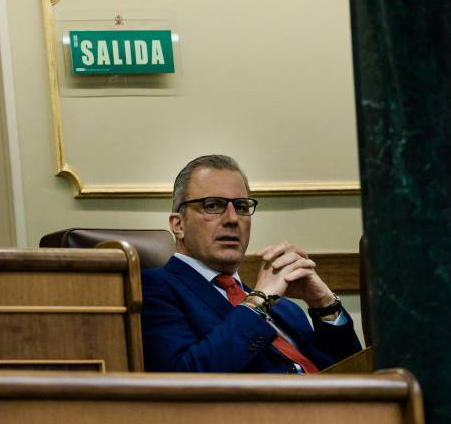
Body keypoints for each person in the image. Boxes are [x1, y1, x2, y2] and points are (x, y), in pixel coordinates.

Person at [140, 154, 362, 373]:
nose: (232, 219)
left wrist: (325, 306)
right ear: (178, 225)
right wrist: (257, 303)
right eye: (213, 205)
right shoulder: (152, 287)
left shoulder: (286, 308)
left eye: (241, 207)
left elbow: (355, 375)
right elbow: (181, 379)